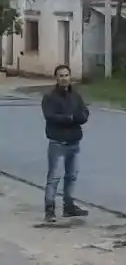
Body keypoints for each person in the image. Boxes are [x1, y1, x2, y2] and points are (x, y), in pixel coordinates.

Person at [41, 64, 89, 223]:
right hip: (58, 142)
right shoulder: (49, 97)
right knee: (54, 177)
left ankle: (69, 207)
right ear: (56, 78)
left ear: (70, 76)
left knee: (72, 175)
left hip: (74, 142)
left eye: (66, 75)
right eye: (61, 76)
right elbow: (50, 116)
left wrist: (79, 117)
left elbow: (84, 112)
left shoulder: (75, 96)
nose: (64, 78)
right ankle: (49, 210)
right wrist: (70, 118)